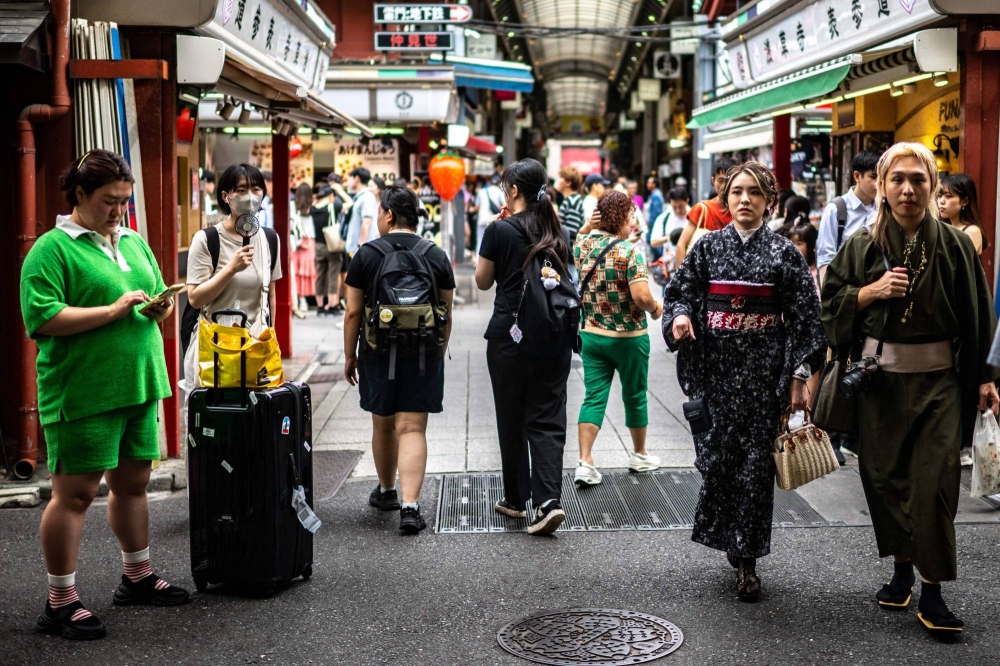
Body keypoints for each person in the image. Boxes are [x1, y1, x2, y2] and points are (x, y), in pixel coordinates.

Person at [823, 143, 999, 634]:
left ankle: (934, 590)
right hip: (880, 385)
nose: (907, 188)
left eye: (918, 180)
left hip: (939, 385)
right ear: (881, 185)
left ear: (932, 186)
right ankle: (901, 571)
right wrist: (869, 293)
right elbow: (831, 302)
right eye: (897, 179)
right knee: (885, 480)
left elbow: (979, 314)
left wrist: (986, 376)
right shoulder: (861, 244)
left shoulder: (956, 245)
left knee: (935, 484)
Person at [20, 150, 190, 640]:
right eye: (109, 202)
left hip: (139, 383)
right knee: (73, 495)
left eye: (124, 202)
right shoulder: (51, 249)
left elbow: (154, 290)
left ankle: (136, 576)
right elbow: (43, 317)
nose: (119, 212)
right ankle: (60, 601)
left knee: (132, 485)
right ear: (79, 195)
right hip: (82, 389)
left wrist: (157, 309)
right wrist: (113, 311)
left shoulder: (133, 241)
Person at [662, 161, 826, 602]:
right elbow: (680, 292)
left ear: (769, 201)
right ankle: (732, 539)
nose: (744, 200)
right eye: (736, 192)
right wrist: (679, 318)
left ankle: (748, 560)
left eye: (754, 193)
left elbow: (805, 320)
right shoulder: (707, 247)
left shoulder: (783, 253)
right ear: (726, 197)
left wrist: (798, 375)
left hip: (762, 380)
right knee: (717, 464)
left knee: (755, 471)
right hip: (715, 378)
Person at [343, 186, 455, 535]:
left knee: (383, 424)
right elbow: (446, 312)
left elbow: (352, 312)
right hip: (423, 354)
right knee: (412, 428)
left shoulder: (367, 255)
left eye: (379, 212)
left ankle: (387, 491)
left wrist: (350, 355)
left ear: (389, 215)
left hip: (378, 351)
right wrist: (438, 350)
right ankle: (410, 507)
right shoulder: (435, 255)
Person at [475, 158, 573, 535]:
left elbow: (483, 282)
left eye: (505, 187)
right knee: (548, 416)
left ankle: (516, 500)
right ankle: (548, 502)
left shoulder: (499, 230)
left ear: (513, 191)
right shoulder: (555, 230)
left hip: (509, 336)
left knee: (511, 414)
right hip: (552, 333)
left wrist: (494, 231)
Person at [573, 190, 663, 486]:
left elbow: (582, 237)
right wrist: (656, 308)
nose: (632, 224)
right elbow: (641, 296)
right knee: (635, 395)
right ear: (620, 218)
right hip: (628, 338)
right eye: (630, 217)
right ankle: (639, 454)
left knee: (593, 396)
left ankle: (585, 461)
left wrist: (588, 224)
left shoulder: (582, 244)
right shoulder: (629, 250)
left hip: (592, 335)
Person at [188, 163, 281, 331]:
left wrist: (271, 336)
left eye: (256, 189)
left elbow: (271, 295)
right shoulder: (206, 240)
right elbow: (195, 299)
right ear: (226, 196)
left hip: (256, 344)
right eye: (241, 190)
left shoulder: (270, 239)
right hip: (217, 346)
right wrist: (231, 268)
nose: (250, 196)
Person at [816, 150, 880, 283]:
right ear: (857, 176)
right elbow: (825, 258)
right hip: (844, 289)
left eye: (882, 177)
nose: (879, 183)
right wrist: (828, 297)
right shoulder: (836, 210)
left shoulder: (883, 209)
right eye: (874, 177)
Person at [675, 157, 740, 265]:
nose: (724, 185)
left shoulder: (743, 211)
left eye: (729, 181)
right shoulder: (702, 209)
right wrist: (681, 280)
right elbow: (681, 245)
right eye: (720, 180)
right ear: (713, 181)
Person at [310, 183, 343, 317]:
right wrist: (339, 191)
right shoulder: (332, 207)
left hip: (318, 246)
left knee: (320, 276)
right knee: (333, 275)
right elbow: (349, 203)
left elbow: (314, 203)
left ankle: (320, 307)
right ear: (330, 195)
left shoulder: (313, 208)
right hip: (331, 245)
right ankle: (331, 305)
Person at [938, 173, 987, 256]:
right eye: (939, 196)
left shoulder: (971, 231)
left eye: (948, 196)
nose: (941, 201)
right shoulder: (943, 228)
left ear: (964, 201)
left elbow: (961, 266)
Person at [291, 183, 316, 317]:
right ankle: (304, 301)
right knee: (307, 273)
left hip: (297, 242)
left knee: (297, 273)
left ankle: (299, 300)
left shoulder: (293, 207)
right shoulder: (313, 207)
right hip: (310, 241)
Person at [346, 167, 379, 253]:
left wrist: (360, 245)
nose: (348, 182)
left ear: (356, 179)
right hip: (356, 249)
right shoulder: (360, 197)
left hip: (362, 250)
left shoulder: (367, 197)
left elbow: (366, 222)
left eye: (350, 179)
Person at [555, 166, 585, 243]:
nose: (558, 180)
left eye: (561, 177)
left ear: (568, 183)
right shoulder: (571, 200)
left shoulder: (572, 202)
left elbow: (570, 232)